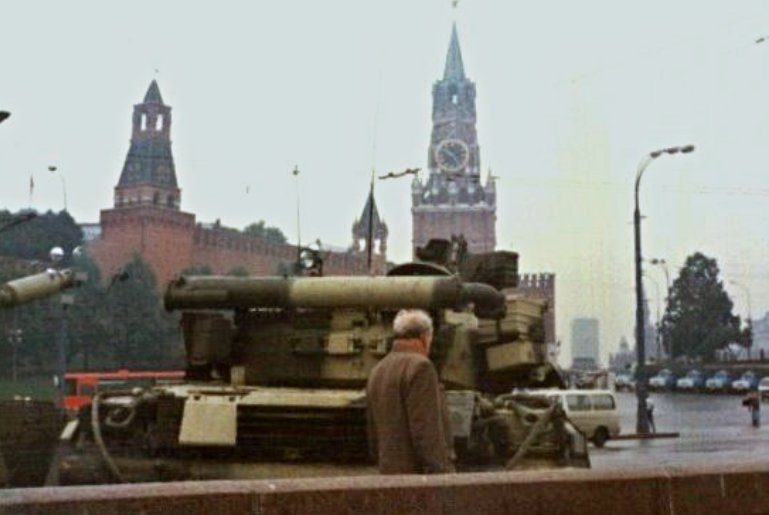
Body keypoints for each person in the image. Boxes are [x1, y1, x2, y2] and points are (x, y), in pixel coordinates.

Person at [366, 309, 454, 474]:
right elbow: (426, 431)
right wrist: (444, 475)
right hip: (418, 479)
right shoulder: (421, 367)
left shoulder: (378, 369)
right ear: (424, 338)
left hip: (389, 475)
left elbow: (373, 435)